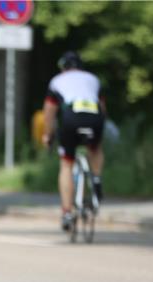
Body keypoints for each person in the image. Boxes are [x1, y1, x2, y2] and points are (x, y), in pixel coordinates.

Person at [42, 51, 106, 231]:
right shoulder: (93, 79)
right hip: (94, 117)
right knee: (95, 148)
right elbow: (103, 108)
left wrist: (48, 135)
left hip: (72, 118)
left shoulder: (57, 80)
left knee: (66, 164)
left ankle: (67, 212)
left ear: (64, 68)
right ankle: (97, 178)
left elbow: (49, 111)